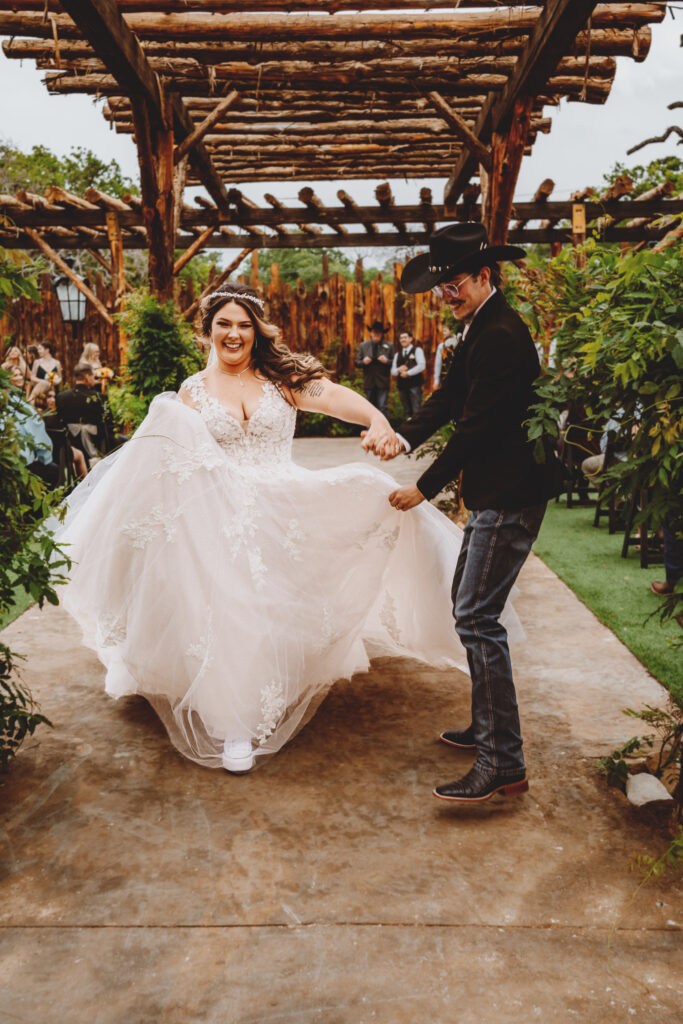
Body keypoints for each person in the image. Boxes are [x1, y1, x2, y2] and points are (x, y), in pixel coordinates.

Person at [54, 283, 523, 775]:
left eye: (243, 325)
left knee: (368, 496)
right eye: (224, 324)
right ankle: (235, 721)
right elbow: (167, 462)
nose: (234, 334)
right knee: (234, 609)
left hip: (283, 503)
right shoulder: (190, 394)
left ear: (257, 331)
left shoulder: (283, 380)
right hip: (220, 516)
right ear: (208, 330)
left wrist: (378, 419)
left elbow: (336, 399)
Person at [366, 223, 561, 805]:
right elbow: (451, 398)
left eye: (454, 284)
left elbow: (477, 426)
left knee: (477, 618)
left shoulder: (500, 334)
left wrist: (421, 488)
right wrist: (401, 434)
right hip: (495, 491)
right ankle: (487, 728)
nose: (446, 295)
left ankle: (503, 760)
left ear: (484, 276)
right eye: (440, 287)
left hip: (510, 492)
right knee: (471, 609)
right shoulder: (481, 327)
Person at [56, 362, 115, 462]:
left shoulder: (62, 397)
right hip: (97, 444)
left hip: (72, 445)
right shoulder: (100, 397)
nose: (94, 379)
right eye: (93, 376)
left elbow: (59, 422)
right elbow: (110, 424)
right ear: (87, 377)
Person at [355, 320, 394, 417]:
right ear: (371, 333)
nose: (376, 334)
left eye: (378, 332)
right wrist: (363, 362)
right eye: (374, 332)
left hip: (383, 381)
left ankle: (383, 430)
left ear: (382, 334)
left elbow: (394, 362)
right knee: (368, 407)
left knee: (383, 407)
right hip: (369, 381)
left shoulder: (389, 346)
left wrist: (387, 361)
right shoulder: (363, 346)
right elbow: (357, 363)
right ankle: (369, 430)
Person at [391, 330, 426, 419]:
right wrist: (399, 369)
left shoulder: (417, 350)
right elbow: (393, 371)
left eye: (405, 337)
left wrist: (408, 373)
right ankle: (408, 430)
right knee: (406, 410)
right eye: (401, 338)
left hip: (414, 384)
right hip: (402, 386)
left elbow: (422, 365)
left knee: (416, 409)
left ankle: (418, 431)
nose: (403, 340)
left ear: (410, 339)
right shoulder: (397, 354)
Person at [432, 323, 460, 390]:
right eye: (442, 331)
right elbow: (438, 364)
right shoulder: (441, 346)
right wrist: (436, 380)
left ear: (451, 331)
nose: (443, 333)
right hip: (445, 378)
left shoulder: (458, 342)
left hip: (458, 377)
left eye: (445, 331)